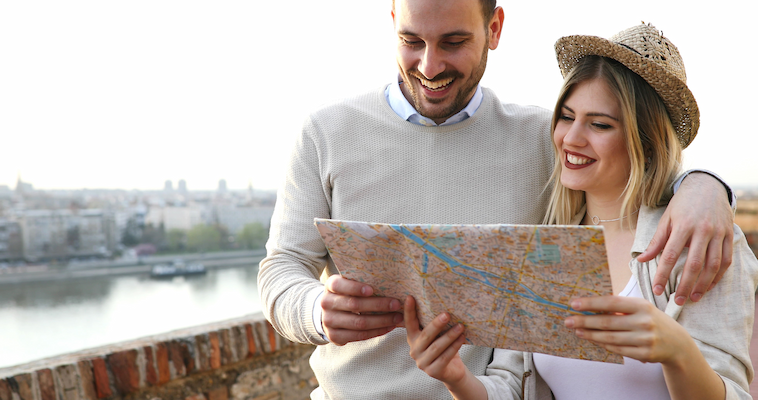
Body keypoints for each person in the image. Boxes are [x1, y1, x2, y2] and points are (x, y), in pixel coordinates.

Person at [257, 0, 736, 397]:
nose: (429, 65)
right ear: (392, 25)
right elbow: (280, 269)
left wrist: (706, 185)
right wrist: (316, 310)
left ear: (494, 28)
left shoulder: (540, 139)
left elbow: (638, 161)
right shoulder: (325, 133)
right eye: (411, 41)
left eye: (454, 41)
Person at [405, 23, 758, 399]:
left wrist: (679, 352)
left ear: (648, 139)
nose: (571, 139)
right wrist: (456, 377)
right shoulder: (543, 244)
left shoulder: (701, 240)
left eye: (600, 124)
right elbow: (510, 385)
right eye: (567, 117)